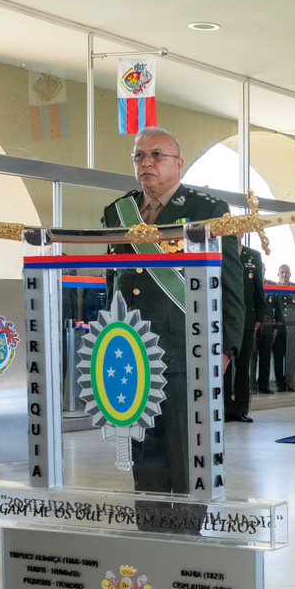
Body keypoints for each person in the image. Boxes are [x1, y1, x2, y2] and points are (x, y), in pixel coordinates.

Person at [101, 126, 244, 494]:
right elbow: (113, 282)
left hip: (186, 347)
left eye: (156, 155)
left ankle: (187, 533)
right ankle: (151, 529)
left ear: (177, 164)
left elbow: (229, 281)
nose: (146, 162)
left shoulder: (208, 210)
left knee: (185, 447)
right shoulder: (118, 212)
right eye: (139, 156)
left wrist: (225, 347)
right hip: (130, 350)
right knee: (144, 449)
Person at [225, 244, 263, 423]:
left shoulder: (253, 255)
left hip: (247, 317)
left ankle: (241, 408)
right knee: (224, 364)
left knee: (242, 366)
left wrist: (259, 316)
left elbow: (258, 287)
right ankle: (224, 407)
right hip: (225, 317)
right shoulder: (222, 248)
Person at [254, 265, 283, 394]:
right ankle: (251, 385)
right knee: (252, 358)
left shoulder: (272, 286)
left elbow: (278, 309)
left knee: (265, 357)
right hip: (253, 328)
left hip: (268, 328)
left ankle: (263, 385)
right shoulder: (250, 284)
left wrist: (276, 327)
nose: (261, 271)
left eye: (262, 269)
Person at [272, 265, 295, 393]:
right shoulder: (273, 289)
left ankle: (289, 383)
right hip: (279, 329)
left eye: (287, 272)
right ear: (278, 274)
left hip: (292, 329)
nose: (284, 275)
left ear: (290, 274)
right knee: (278, 358)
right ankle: (279, 383)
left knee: (290, 357)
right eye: (282, 272)